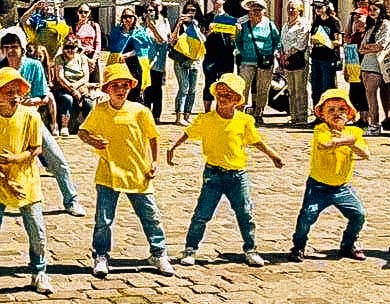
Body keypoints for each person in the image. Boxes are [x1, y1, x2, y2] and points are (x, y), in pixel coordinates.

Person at [167, 72, 284, 267]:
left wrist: (273, 155)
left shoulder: (244, 121)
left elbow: (256, 141)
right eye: (220, 94)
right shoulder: (206, 119)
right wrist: (173, 147)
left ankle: (251, 249)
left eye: (228, 95)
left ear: (238, 100)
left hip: (238, 175)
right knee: (202, 214)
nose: (223, 98)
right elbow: (188, 133)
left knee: (245, 213)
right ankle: (190, 249)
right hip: (213, 174)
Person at [78, 63, 175, 278]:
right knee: (104, 219)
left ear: (130, 87)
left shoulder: (140, 111)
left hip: (137, 172)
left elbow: (153, 137)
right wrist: (92, 140)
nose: (120, 89)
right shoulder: (100, 111)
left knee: (151, 216)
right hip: (108, 173)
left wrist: (154, 162)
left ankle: (159, 253)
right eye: (115, 85)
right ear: (107, 89)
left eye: (124, 85)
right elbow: (82, 131)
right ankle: (101, 255)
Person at [0, 27, 87, 216]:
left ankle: (71, 200)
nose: (11, 50)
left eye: (15, 46)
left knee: (57, 159)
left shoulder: (34, 66)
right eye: (7, 46)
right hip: (4, 122)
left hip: (30, 120)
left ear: (22, 47)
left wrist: (32, 101)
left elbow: (44, 97)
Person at [0, 67, 52, 298]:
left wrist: (16, 159)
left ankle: (39, 271)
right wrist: (3, 178)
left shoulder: (31, 116)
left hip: (27, 182)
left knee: (37, 230)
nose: (14, 96)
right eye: (8, 91)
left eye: (17, 91)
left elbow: (36, 149)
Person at [289, 88, 368, 262]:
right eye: (331, 110)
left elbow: (365, 153)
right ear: (322, 114)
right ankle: (298, 246)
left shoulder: (354, 133)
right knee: (307, 216)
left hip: (342, 187)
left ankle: (348, 244)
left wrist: (351, 142)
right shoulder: (321, 130)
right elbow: (325, 144)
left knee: (358, 214)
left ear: (349, 113)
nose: (337, 113)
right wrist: (345, 141)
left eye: (341, 109)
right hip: (318, 186)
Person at [359, 0, 390, 136]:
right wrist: (368, 48)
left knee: (372, 94)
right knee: (367, 95)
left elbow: (381, 45)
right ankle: (374, 123)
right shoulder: (371, 27)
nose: (372, 12)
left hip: (377, 64)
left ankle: (375, 124)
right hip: (366, 63)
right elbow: (361, 48)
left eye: (375, 10)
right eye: (370, 10)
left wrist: (368, 48)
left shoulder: (386, 25)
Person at [235, 0, 281, 123]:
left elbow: (277, 41)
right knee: (243, 87)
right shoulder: (244, 26)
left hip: (265, 61)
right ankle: (240, 111)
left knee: (263, 88)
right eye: (254, 9)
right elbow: (237, 41)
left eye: (259, 9)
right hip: (247, 61)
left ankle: (258, 113)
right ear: (249, 11)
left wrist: (274, 53)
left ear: (264, 11)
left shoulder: (270, 25)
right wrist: (243, 51)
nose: (256, 12)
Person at [168, 0, 205, 126]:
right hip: (181, 60)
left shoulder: (198, 24)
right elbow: (172, 41)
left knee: (193, 89)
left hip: (195, 61)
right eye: (188, 10)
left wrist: (194, 26)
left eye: (193, 11)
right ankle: (179, 117)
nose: (190, 13)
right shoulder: (181, 24)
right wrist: (179, 24)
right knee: (184, 87)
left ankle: (187, 115)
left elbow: (203, 40)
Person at [201, 0, 237, 113]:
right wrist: (209, 32)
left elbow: (233, 41)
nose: (216, 0)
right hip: (210, 55)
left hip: (226, 56)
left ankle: (220, 110)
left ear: (224, 0)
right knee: (209, 83)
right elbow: (201, 39)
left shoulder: (231, 19)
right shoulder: (206, 18)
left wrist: (235, 34)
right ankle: (207, 112)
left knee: (224, 85)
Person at [51, 37, 95, 136]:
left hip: (80, 87)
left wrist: (76, 87)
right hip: (64, 87)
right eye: (67, 47)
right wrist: (72, 90)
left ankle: (90, 127)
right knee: (67, 99)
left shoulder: (82, 58)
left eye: (73, 47)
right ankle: (64, 126)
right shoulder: (60, 58)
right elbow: (60, 77)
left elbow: (86, 76)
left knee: (88, 103)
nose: (70, 50)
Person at [277, 0, 311, 126]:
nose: (291, 11)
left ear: (300, 10)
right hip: (287, 61)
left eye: (293, 8)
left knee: (300, 89)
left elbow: (300, 43)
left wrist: (286, 55)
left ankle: (302, 117)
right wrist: (281, 54)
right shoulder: (286, 25)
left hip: (299, 59)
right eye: (289, 8)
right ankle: (293, 116)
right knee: (291, 90)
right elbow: (282, 41)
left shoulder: (304, 24)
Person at [135, 0, 170, 120]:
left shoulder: (161, 24)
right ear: (143, 14)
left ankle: (156, 115)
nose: (150, 13)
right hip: (143, 61)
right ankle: (146, 113)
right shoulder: (139, 27)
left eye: (152, 11)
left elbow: (162, 41)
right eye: (147, 11)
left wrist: (153, 28)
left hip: (156, 62)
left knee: (156, 88)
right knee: (145, 89)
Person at [308, 0, 342, 111]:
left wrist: (325, 42)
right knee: (315, 87)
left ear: (326, 7)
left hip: (328, 58)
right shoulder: (316, 21)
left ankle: (328, 114)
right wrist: (314, 40)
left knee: (327, 87)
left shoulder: (333, 21)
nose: (317, 9)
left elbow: (339, 41)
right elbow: (312, 36)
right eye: (315, 7)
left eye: (319, 7)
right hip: (316, 56)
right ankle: (317, 113)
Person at [107, 7, 144, 102]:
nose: (127, 19)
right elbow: (112, 48)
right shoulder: (116, 31)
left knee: (134, 90)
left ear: (134, 18)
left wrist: (126, 55)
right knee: (121, 90)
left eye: (130, 17)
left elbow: (142, 49)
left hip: (134, 65)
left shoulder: (139, 31)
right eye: (125, 17)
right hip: (120, 65)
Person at [71, 3, 104, 68]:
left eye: (85, 12)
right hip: (77, 57)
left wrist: (93, 60)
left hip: (91, 56)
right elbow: (72, 44)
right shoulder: (74, 27)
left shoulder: (94, 25)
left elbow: (98, 44)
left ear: (89, 12)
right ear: (77, 13)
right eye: (81, 12)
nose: (83, 14)